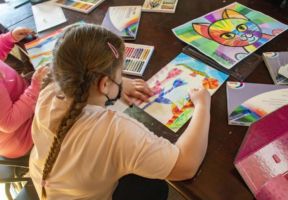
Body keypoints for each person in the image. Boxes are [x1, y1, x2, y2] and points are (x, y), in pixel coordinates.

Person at [29, 23, 211, 200]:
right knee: (155, 188)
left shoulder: (48, 88)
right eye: (119, 75)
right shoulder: (115, 131)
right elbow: (186, 166)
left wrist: (113, 83)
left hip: (49, 185)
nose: (121, 79)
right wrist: (203, 106)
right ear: (104, 84)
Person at [0, 27, 49, 158]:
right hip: (23, 137)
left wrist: (7, 39)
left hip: (25, 96)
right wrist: (35, 88)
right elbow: (9, 122)